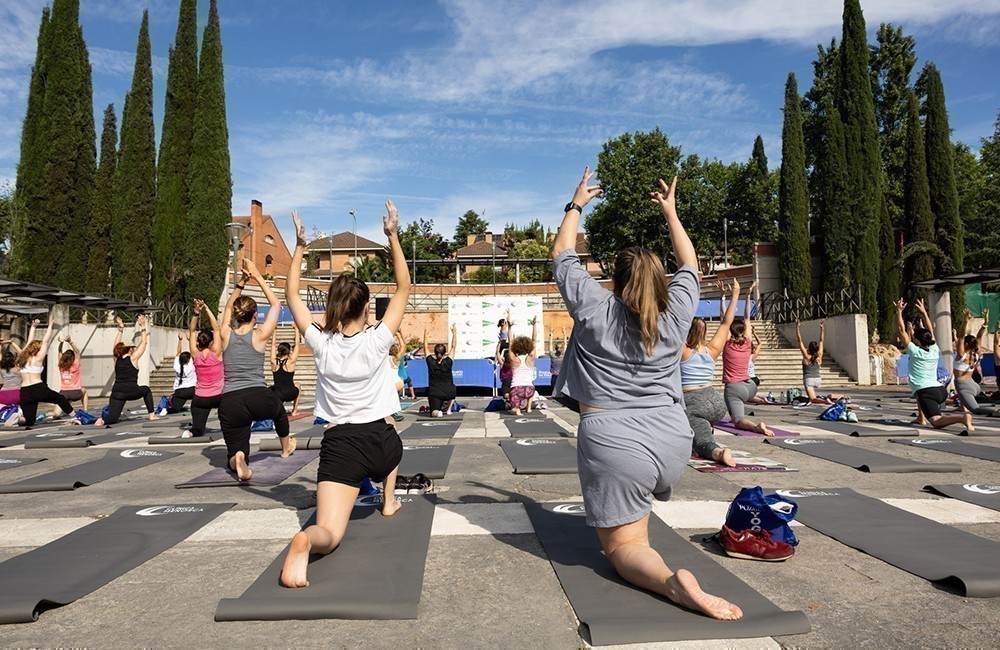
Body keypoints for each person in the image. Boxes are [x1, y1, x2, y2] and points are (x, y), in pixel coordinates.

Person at [551, 168, 742, 621]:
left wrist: (577, 203)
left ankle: (669, 583)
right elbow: (690, 263)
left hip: (615, 440)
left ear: (614, 281)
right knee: (636, 510)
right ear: (660, 280)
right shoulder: (677, 314)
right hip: (673, 439)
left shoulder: (596, 307)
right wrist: (671, 214)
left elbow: (562, 251)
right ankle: (646, 516)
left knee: (627, 548)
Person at [280, 202, 409, 588]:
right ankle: (388, 501)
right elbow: (404, 286)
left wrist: (301, 247)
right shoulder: (377, 339)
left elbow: (291, 296)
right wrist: (392, 236)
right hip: (381, 443)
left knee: (330, 534)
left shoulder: (322, 344)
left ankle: (307, 541)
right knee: (393, 430)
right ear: (366, 308)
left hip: (340, 445)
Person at [218, 258, 295, 479]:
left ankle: (238, 459)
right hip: (258, 396)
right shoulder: (259, 336)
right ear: (255, 316)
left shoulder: (225, 334)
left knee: (236, 446)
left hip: (230, 400)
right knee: (279, 411)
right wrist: (256, 274)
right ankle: (285, 447)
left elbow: (227, 308)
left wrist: (241, 282)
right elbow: (276, 304)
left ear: (234, 316)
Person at [681, 279, 742, 467]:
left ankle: (717, 452)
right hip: (716, 401)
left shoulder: (683, 350)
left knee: (699, 437)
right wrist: (736, 295)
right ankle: (704, 428)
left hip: (693, 400)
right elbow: (726, 322)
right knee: (695, 422)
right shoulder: (712, 350)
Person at [895, 298, 973, 431]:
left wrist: (898, 312)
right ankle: (921, 418)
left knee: (936, 422)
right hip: (940, 390)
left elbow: (902, 331)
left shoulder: (914, 351)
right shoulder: (934, 349)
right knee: (918, 394)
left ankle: (963, 418)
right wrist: (924, 312)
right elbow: (931, 330)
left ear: (917, 341)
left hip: (927, 391)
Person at [94, 315, 160, 426]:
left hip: (117, 392)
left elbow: (115, 345)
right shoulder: (133, 358)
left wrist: (121, 328)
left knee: (113, 418)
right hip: (131, 391)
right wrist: (143, 326)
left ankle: (102, 421)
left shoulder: (116, 359)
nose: (134, 348)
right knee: (146, 390)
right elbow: (144, 343)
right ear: (130, 349)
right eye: (133, 347)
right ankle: (152, 415)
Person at [722, 299, 772, 435]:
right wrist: (748, 295)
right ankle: (759, 400)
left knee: (738, 421)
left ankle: (757, 427)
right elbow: (747, 317)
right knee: (743, 398)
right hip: (751, 387)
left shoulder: (727, 344)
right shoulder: (748, 343)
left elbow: (725, 319)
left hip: (735, 388)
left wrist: (724, 297)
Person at [17, 311, 75, 428]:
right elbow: (45, 341)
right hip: (38, 388)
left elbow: (28, 343)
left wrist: (33, 327)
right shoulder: (38, 358)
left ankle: (19, 418)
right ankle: (75, 416)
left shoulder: (22, 358)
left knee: (29, 420)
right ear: (38, 350)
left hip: (24, 391)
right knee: (60, 398)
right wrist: (50, 325)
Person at [184, 299, 224, 439]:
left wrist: (196, 312)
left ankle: (192, 431)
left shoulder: (195, 354)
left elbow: (192, 330)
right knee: (230, 421)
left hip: (200, 398)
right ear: (211, 342)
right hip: (219, 396)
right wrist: (206, 308)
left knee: (198, 430)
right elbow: (217, 328)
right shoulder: (216, 353)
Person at [953, 308, 992, 416]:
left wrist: (965, 321)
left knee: (975, 409)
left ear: (965, 344)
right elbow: (979, 336)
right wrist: (985, 323)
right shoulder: (976, 354)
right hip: (974, 385)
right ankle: (962, 407)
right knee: (964, 400)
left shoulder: (962, 355)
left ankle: (996, 412)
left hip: (964, 386)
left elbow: (961, 336)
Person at [795, 319, 842, 405]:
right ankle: (835, 397)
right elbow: (821, 340)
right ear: (816, 349)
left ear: (808, 348)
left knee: (813, 399)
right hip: (817, 379)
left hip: (808, 379)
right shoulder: (819, 356)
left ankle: (825, 401)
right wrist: (822, 328)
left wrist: (797, 328)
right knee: (815, 397)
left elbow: (799, 341)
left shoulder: (806, 356)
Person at [424, 324, 457, 417]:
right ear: (444, 353)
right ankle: (449, 409)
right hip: (449, 392)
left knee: (434, 412)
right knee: (453, 388)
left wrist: (425, 334)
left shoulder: (430, 362)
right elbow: (453, 347)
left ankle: (439, 412)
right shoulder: (448, 361)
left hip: (435, 393)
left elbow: (425, 347)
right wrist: (454, 333)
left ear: (434, 352)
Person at [507, 317, 538, 415]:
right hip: (529, 390)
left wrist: (509, 328)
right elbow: (534, 340)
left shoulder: (514, 359)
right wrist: (534, 325)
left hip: (517, 389)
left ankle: (517, 409)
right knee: (532, 387)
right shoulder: (531, 358)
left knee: (512, 409)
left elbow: (510, 343)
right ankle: (528, 408)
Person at [160, 332, 197, 415]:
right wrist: (189, 340)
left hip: (180, 391)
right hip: (192, 390)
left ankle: (166, 410)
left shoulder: (177, 366)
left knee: (175, 408)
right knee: (200, 397)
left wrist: (180, 340)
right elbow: (194, 352)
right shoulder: (191, 366)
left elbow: (178, 352)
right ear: (188, 360)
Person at [270, 329, 302, 416]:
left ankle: (277, 408)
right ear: (288, 351)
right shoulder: (291, 361)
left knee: (271, 389)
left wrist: (275, 330)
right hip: (290, 394)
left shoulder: (273, 361)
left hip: (278, 394)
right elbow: (297, 345)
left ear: (279, 350)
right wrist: (296, 329)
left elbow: (272, 345)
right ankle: (294, 410)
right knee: (298, 385)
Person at [53, 334, 88, 414]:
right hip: (76, 393)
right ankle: (85, 410)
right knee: (84, 391)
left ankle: (45, 415)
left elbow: (59, 352)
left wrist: (61, 343)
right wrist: (70, 341)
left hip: (63, 393)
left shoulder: (61, 366)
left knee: (55, 414)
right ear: (73, 358)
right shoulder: (75, 365)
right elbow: (77, 351)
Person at [393, 331, 416, 400]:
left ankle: (395, 397)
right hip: (403, 376)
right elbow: (403, 345)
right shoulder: (400, 357)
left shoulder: (390, 358)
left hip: (395, 377)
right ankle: (413, 395)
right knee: (409, 381)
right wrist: (400, 334)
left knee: (396, 386)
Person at [0, 339, 23, 406]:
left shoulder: (2, 370)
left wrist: (0, 344)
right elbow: (22, 354)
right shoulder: (17, 369)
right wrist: (11, 342)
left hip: (3, 395)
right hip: (17, 394)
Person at [548, 327, 567, 391]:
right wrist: (564, 334)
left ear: (555, 348)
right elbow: (565, 344)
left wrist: (551, 335)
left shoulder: (552, 355)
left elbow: (550, 344)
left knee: (554, 393)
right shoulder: (563, 355)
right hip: (562, 377)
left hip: (554, 377)